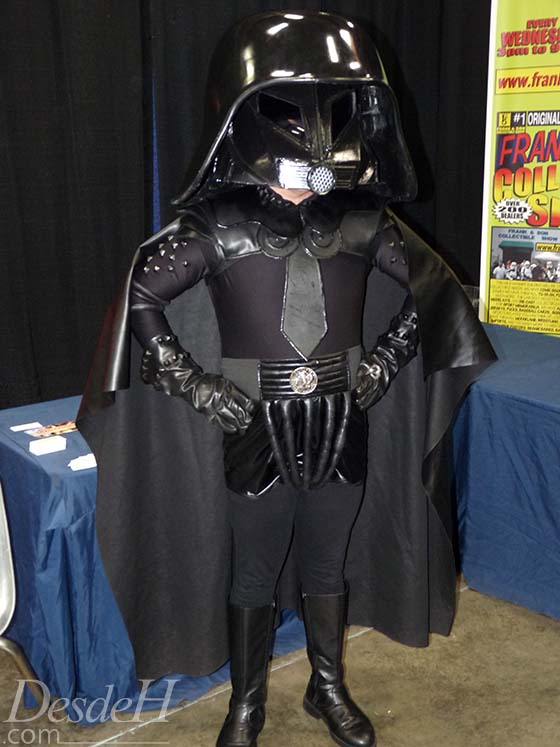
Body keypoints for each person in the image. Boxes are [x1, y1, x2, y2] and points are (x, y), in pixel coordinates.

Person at [76, 11, 496, 747]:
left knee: (328, 564)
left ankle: (326, 685)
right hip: (255, 422)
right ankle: (246, 703)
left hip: (340, 418)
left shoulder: (361, 220)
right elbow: (142, 292)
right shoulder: (219, 224)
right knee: (254, 570)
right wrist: (195, 383)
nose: (314, 134)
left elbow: (435, 291)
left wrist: (384, 361)